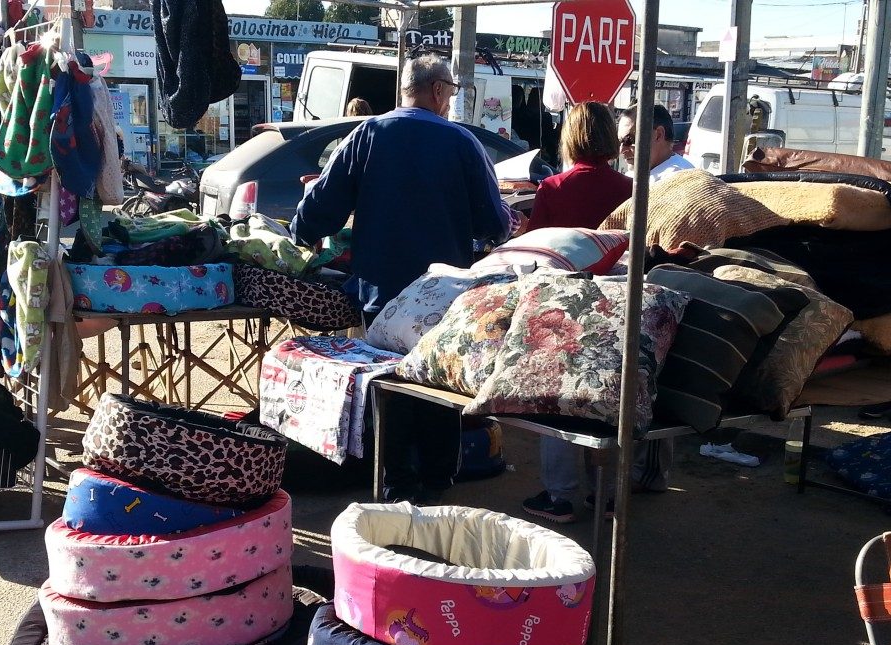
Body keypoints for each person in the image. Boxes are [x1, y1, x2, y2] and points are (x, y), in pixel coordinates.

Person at [291, 54, 518, 504]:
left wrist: (304, 234)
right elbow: (494, 221)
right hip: (443, 299)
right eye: (451, 92)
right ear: (437, 90)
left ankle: (396, 487)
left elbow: (318, 210)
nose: (451, 101)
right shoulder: (462, 142)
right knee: (439, 385)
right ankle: (437, 483)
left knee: (390, 389)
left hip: (382, 294)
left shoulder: (367, 134)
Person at [521, 102, 691, 525]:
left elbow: (536, 250)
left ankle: (560, 496)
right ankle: (608, 494)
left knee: (555, 400)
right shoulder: (634, 189)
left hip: (561, 306)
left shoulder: (553, 188)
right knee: (611, 402)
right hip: (618, 306)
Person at [525, 101, 631, 232]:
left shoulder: (552, 187)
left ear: (569, 138)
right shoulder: (631, 188)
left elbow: (534, 243)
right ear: (610, 135)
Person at [617, 102, 694, 182]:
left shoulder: (683, 179)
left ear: (659, 135)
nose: (622, 150)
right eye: (619, 142)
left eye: (628, 140)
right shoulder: (633, 174)